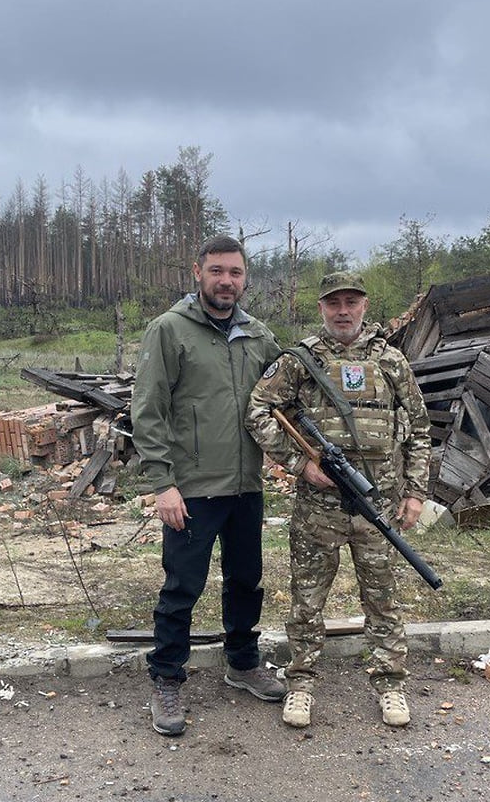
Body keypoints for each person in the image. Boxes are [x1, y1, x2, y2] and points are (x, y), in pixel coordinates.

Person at [246, 271, 431, 728]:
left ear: (365, 305)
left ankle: (390, 684)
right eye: (334, 303)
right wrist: (300, 464)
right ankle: (301, 684)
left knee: (383, 600)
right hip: (318, 510)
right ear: (322, 308)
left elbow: (420, 430)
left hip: (380, 506)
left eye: (351, 302)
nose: (343, 311)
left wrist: (416, 492)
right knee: (306, 603)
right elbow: (257, 411)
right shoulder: (300, 360)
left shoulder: (392, 361)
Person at [130, 234, 286, 736]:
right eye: (217, 270)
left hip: (246, 486)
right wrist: (163, 485)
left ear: (245, 279)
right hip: (192, 490)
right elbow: (148, 412)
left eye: (235, 273)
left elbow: (284, 403)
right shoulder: (170, 331)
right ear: (198, 272)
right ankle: (167, 677)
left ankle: (242, 662)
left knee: (246, 581)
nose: (226, 281)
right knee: (183, 587)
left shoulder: (260, 337)